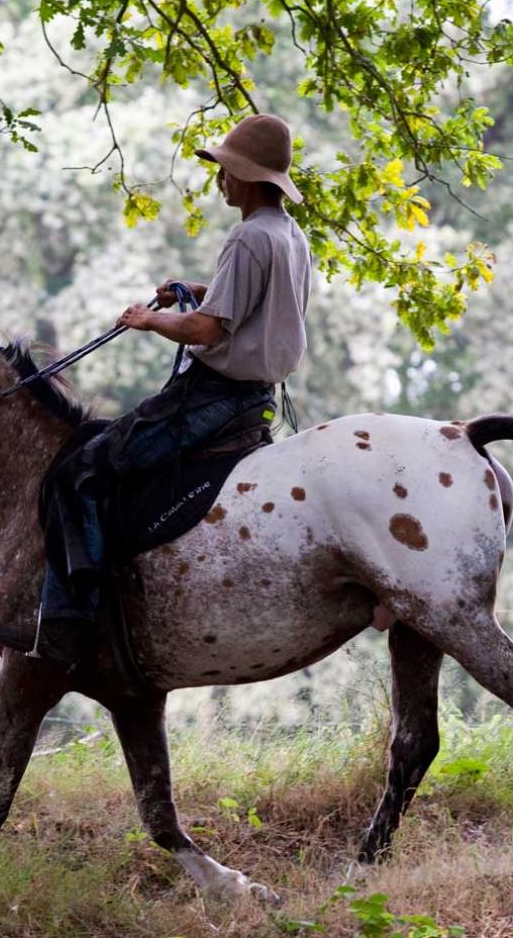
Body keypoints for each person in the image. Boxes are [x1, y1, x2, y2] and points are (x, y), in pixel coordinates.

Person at [31, 113, 313, 669]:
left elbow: (208, 330)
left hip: (215, 394)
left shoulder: (247, 236)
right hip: (257, 394)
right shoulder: (289, 236)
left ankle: (73, 622)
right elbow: (250, 306)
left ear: (251, 178)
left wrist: (146, 320)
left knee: (79, 472)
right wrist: (197, 290)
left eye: (228, 170)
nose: (221, 180)